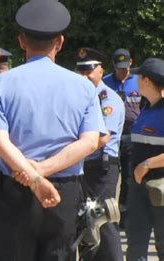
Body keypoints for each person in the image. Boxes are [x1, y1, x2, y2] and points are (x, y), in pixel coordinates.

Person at [0, 1, 106, 260]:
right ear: (59, 43)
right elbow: (91, 142)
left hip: (15, 189)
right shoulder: (83, 87)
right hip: (63, 193)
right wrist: (42, 173)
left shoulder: (1, 84)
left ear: (22, 41)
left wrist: (34, 177)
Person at [75, 47, 125, 261]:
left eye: (89, 70)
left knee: (104, 221)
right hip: (83, 166)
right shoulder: (79, 96)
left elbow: (102, 139)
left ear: (101, 71)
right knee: (85, 222)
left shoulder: (108, 99)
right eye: (81, 71)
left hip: (103, 168)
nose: (84, 76)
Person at [126, 57, 164, 261]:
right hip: (139, 188)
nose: (135, 81)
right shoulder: (147, 107)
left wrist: (147, 164)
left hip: (160, 186)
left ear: (147, 81)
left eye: (138, 77)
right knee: (135, 244)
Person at [103, 48, 141, 217]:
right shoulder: (104, 82)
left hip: (131, 134)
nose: (122, 70)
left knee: (128, 175)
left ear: (131, 62)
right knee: (108, 173)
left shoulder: (139, 81)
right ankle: (106, 212)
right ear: (113, 65)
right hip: (110, 135)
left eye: (125, 66)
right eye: (119, 67)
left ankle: (124, 213)